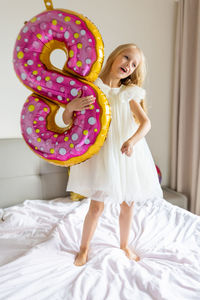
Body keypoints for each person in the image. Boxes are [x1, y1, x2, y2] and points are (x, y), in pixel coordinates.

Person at [61, 43, 163, 266]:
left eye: (134, 64)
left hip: (126, 153)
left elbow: (146, 123)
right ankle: (84, 248)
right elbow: (67, 121)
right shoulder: (91, 88)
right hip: (103, 155)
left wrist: (132, 141)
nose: (129, 65)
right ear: (114, 56)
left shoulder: (128, 93)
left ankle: (125, 245)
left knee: (128, 204)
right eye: (126, 58)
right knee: (96, 206)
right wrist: (71, 107)